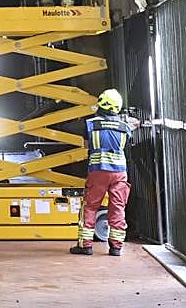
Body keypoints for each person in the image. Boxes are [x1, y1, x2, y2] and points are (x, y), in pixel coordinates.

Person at [71, 88, 133, 257]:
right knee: (118, 208)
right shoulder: (125, 127)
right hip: (120, 172)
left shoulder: (90, 125)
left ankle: (86, 245)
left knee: (91, 207)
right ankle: (116, 247)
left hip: (98, 170)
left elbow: (85, 146)